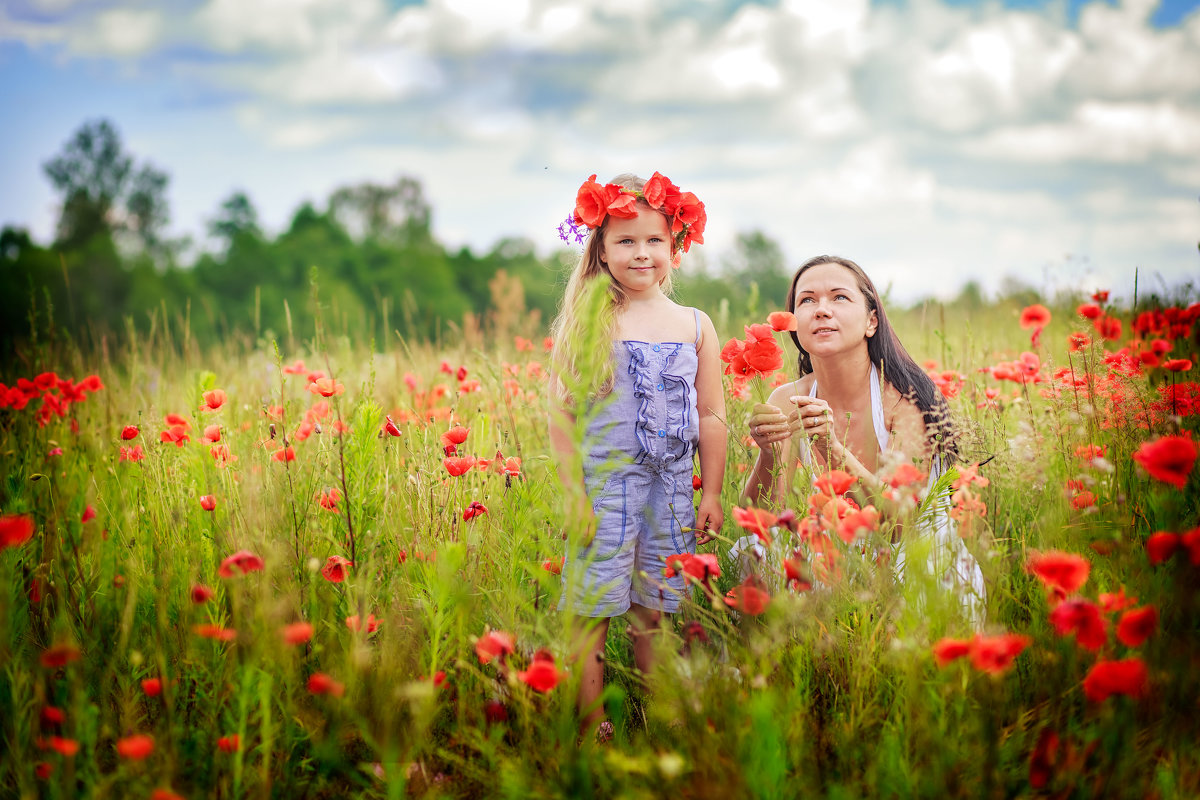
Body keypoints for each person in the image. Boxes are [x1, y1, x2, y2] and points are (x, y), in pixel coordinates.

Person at [548, 172, 726, 741]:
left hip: (672, 490)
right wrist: (574, 494)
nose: (641, 253)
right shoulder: (591, 320)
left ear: (676, 244)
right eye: (625, 241)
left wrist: (714, 490)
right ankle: (591, 724)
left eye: (654, 239)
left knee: (656, 608)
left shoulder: (695, 324)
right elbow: (562, 416)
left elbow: (712, 415)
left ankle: (659, 718)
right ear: (600, 248)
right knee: (592, 607)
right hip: (605, 487)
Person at [741, 255, 985, 618]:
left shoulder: (905, 399)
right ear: (795, 324)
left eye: (839, 297)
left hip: (912, 553)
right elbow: (760, 519)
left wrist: (835, 451)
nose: (821, 310)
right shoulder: (784, 399)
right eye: (807, 300)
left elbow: (900, 525)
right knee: (753, 552)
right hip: (831, 549)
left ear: (872, 321)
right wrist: (769, 454)